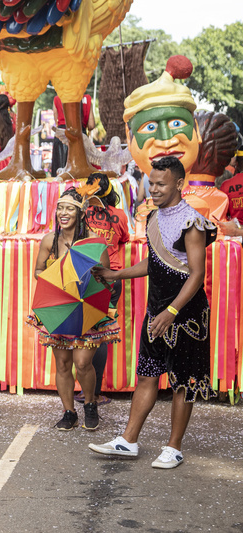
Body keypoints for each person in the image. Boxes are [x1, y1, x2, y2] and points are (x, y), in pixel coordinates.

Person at [90, 156, 217, 469]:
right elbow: (155, 262)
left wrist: (172, 311)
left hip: (185, 316)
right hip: (156, 311)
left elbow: (196, 274)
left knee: (182, 382)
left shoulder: (192, 222)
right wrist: (116, 275)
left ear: (178, 184)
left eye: (161, 184)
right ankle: (128, 440)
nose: (154, 189)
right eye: (152, 183)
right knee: (146, 375)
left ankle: (173, 447)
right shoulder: (152, 218)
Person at [29, 186, 119, 431]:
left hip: (86, 308)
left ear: (80, 213)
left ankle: (90, 404)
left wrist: (86, 278)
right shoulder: (49, 240)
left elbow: (105, 277)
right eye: (60, 208)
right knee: (62, 364)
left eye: (69, 208)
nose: (63, 213)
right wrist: (56, 278)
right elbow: (37, 271)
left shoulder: (94, 242)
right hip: (60, 306)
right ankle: (69, 412)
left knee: (82, 363)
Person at [78, 172, 130, 405]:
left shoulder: (82, 214)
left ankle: (87, 391)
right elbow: (124, 239)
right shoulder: (119, 215)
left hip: (87, 276)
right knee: (101, 334)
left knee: (85, 332)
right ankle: (95, 393)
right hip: (112, 277)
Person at [51, 94, 94, 176]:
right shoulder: (87, 98)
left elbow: (56, 121)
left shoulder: (57, 98)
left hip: (62, 138)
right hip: (81, 137)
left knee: (60, 173)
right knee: (81, 175)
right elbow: (91, 125)